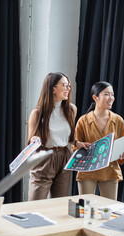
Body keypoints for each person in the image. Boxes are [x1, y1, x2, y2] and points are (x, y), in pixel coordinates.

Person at [27, 72, 86, 200]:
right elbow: (30, 141)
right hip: (44, 158)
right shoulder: (37, 113)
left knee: (60, 203)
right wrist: (34, 139)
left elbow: (69, 135)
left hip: (64, 156)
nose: (68, 89)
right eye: (64, 85)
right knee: (34, 204)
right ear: (53, 88)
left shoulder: (71, 109)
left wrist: (76, 143)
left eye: (69, 86)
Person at [72, 82, 124, 200]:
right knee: (85, 209)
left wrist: (123, 153)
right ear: (95, 97)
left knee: (109, 210)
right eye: (107, 94)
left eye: (112, 94)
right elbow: (74, 148)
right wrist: (81, 147)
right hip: (87, 171)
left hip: (110, 171)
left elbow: (123, 147)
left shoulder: (118, 121)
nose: (111, 98)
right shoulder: (83, 120)